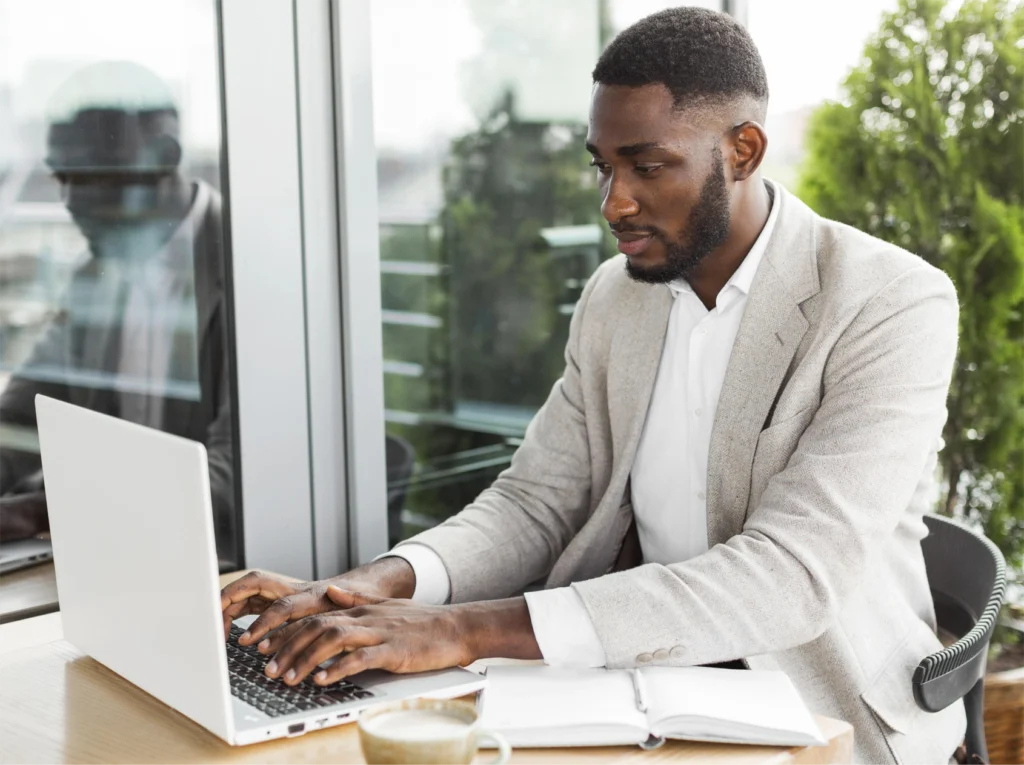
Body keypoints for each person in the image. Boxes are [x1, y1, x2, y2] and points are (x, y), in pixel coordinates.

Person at [222, 9, 964, 763]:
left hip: (820, 715)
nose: (613, 203)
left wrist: (461, 628)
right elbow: (536, 500)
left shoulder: (889, 302)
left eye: (647, 166)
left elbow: (789, 575)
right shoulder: (618, 294)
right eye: (602, 166)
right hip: (635, 685)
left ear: (743, 150)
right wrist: (381, 585)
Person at [0, 61, 235, 560]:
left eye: (89, 177)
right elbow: (21, 417)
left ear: (165, 157)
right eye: (62, 177)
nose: (69, 200)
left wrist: (41, 511)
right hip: (114, 560)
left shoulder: (244, 270)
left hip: (226, 573)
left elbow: (230, 477)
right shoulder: (93, 274)